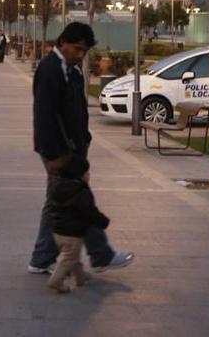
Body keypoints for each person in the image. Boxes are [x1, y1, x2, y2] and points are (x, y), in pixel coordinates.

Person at [28, 22, 134, 275]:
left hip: (72, 147)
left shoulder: (69, 70)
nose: (80, 55)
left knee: (59, 201)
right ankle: (101, 255)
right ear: (62, 43)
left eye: (84, 51)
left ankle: (41, 258)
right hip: (60, 151)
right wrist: (56, 156)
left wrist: (84, 137)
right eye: (77, 49)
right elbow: (44, 115)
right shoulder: (51, 69)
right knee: (79, 201)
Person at [44, 168, 104, 293]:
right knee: (69, 258)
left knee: (72, 256)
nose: (89, 175)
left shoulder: (58, 187)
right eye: (87, 172)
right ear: (81, 175)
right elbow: (89, 210)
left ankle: (80, 277)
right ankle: (56, 281)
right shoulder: (81, 192)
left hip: (58, 231)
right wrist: (102, 221)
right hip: (72, 233)